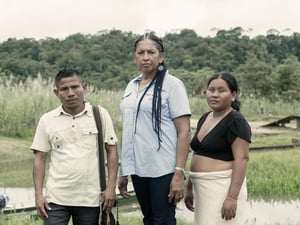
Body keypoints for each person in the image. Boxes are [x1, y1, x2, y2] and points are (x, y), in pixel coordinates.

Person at [118, 32, 191, 225]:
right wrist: (123, 170)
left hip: (163, 169)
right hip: (138, 168)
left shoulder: (172, 85)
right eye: (140, 52)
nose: (145, 57)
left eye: (151, 52)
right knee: (148, 219)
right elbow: (127, 129)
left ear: (161, 56)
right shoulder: (131, 86)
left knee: (163, 220)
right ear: (135, 57)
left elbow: (184, 131)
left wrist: (178, 173)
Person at [31, 69, 119, 225]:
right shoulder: (47, 119)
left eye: (75, 87)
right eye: (64, 89)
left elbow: (112, 151)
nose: (70, 93)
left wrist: (111, 187)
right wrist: (38, 195)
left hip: (90, 199)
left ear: (84, 88)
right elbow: (40, 158)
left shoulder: (99, 114)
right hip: (56, 198)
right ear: (56, 93)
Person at [184, 72, 252, 225]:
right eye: (211, 90)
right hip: (201, 189)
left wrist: (232, 197)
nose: (214, 94)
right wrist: (190, 187)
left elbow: (242, 159)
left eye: (221, 90)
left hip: (221, 188)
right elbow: (197, 153)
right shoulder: (205, 117)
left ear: (233, 95)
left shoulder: (236, 121)